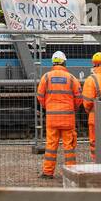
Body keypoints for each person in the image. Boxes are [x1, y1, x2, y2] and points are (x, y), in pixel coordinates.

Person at [37, 50, 82, 178]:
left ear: (53, 62)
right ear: (64, 62)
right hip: (68, 119)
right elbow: (79, 98)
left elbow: (40, 96)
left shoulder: (46, 77)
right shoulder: (72, 78)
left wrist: (48, 107)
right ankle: (72, 173)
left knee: (51, 145)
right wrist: (71, 108)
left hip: (52, 119)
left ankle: (47, 172)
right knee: (69, 147)